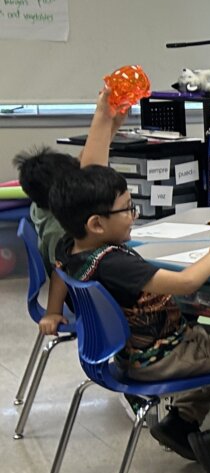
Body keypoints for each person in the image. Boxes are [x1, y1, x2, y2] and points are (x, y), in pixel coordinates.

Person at [50, 164, 210, 473]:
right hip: (166, 356)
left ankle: (180, 423)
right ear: (96, 224)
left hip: (130, 356)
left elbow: (57, 275)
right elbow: (185, 283)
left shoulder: (69, 248)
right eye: (127, 208)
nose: (134, 214)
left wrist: (52, 311)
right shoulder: (116, 264)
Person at [15, 87, 131, 338]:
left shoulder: (43, 203)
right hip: (87, 298)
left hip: (88, 284)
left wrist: (113, 122)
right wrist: (53, 311)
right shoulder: (63, 231)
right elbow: (62, 270)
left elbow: (84, 163)